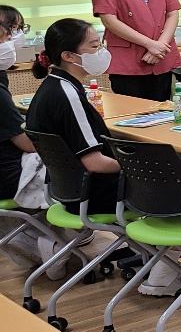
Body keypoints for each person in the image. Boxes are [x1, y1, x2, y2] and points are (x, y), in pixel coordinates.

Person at [24, 19, 119, 280]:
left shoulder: (52, 87)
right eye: (94, 46)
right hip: (93, 192)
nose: (101, 52)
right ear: (68, 56)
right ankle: (165, 270)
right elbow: (95, 162)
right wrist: (138, 168)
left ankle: (61, 242)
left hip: (66, 189)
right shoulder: (66, 93)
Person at [0, 5, 40, 268]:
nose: (12, 40)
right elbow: (25, 143)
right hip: (8, 174)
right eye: (7, 35)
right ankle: (55, 242)